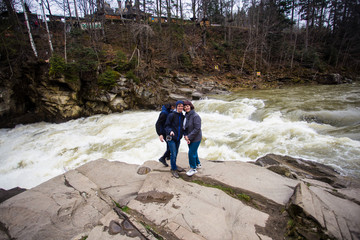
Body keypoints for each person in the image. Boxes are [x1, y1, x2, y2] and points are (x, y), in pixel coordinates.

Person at [165, 100, 185, 178]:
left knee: (176, 153)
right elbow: (166, 126)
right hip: (171, 137)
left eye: (182, 106)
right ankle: (173, 169)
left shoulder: (182, 116)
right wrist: (170, 131)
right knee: (173, 153)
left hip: (178, 138)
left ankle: (174, 166)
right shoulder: (171, 115)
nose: (181, 107)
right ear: (176, 107)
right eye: (179, 106)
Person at [183, 100, 202, 177]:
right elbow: (184, 127)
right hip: (189, 137)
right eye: (185, 107)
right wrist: (185, 136)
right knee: (194, 152)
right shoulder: (186, 115)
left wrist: (189, 136)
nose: (186, 108)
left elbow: (197, 129)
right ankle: (198, 164)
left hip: (196, 138)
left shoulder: (195, 116)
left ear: (190, 106)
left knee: (191, 153)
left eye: (187, 106)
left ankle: (193, 169)